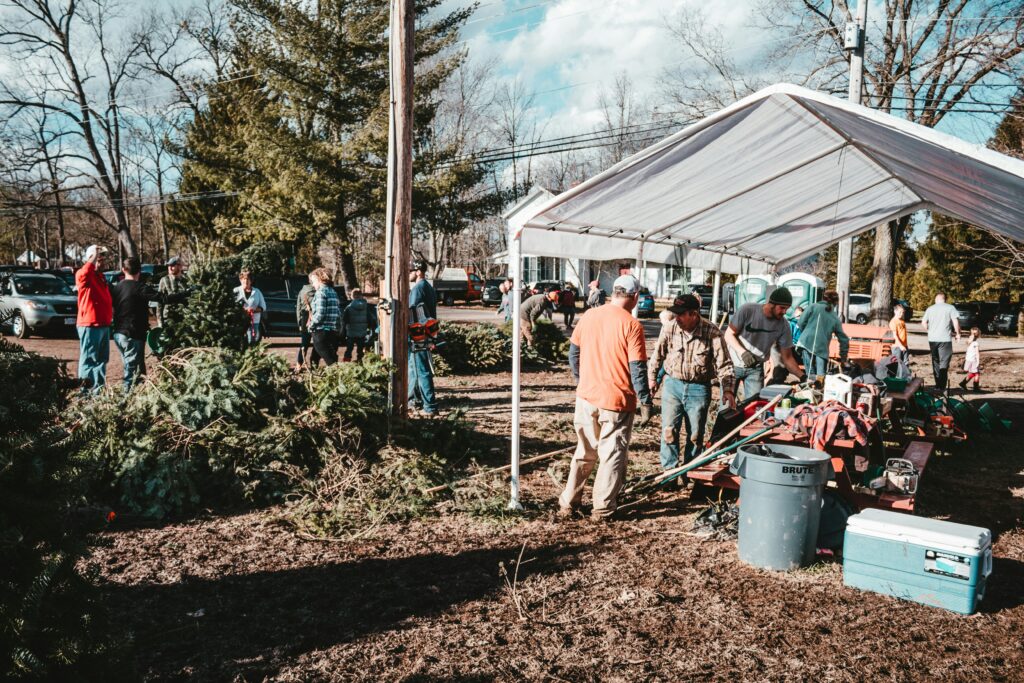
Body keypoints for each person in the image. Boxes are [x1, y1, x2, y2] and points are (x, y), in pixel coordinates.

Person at [559, 275, 653, 520]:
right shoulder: (632, 326)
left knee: (584, 450)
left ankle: (569, 503)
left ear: (614, 292)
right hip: (616, 400)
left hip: (586, 398)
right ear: (634, 297)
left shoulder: (590, 315)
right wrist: (645, 400)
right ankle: (601, 508)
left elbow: (573, 354)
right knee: (611, 455)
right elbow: (638, 369)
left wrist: (582, 380)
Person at [649, 294, 734, 472]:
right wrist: (652, 378)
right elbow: (658, 354)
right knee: (669, 431)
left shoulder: (712, 333)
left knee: (695, 435)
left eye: (681, 314)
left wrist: (728, 390)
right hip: (673, 385)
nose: (677, 318)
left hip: (699, 388)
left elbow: (724, 365)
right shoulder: (670, 328)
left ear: (694, 314)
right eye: (675, 313)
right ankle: (669, 472)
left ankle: (690, 471)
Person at [111, 257, 185, 390]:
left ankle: (138, 396)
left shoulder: (117, 288)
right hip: (132, 335)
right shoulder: (140, 288)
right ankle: (126, 399)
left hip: (118, 334)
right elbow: (163, 298)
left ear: (123, 270)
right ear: (139, 271)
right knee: (132, 372)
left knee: (136, 368)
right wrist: (185, 294)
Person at [723, 288, 805, 402]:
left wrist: (802, 376)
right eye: (782, 308)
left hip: (755, 369)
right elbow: (728, 335)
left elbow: (787, 357)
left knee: (754, 407)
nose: (785, 312)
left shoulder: (783, 325)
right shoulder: (748, 310)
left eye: (787, 308)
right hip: (733, 365)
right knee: (726, 406)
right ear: (772, 304)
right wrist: (743, 352)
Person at [75, 245, 113, 394]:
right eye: (99, 258)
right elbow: (84, 273)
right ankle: (85, 394)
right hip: (90, 324)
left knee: (101, 360)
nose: (102, 261)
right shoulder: (83, 274)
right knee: (89, 360)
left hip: (103, 324)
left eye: (103, 258)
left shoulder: (101, 277)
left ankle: (97, 392)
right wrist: (93, 257)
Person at [795, 291, 850, 378]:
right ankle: (819, 387)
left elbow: (801, 322)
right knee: (821, 376)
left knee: (810, 375)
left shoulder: (813, 306)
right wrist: (843, 358)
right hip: (822, 348)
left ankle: (810, 385)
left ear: (823, 298)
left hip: (805, 342)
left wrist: (806, 333)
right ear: (835, 303)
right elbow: (844, 339)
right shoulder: (834, 317)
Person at [409, 263, 439, 415]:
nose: (409, 274)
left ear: (418, 272)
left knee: (421, 370)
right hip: (427, 333)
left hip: (418, 335)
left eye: (411, 271)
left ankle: (430, 406)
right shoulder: (428, 287)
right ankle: (413, 400)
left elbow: (412, 312)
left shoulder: (417, 289)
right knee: (414, 369)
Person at [921, 292, 961, 391]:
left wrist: (929, 331)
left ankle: (937, 384)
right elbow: (955, 321)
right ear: (944, 299)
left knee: (935, 361)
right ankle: (941, 386)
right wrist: (958, 333)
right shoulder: (950, 308)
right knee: (944, 362)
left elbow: (923, 322)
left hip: (932, 339)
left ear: (936, 299)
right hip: (945, 339)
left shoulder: (930, 309)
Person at [308, 267, 341, 366]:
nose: (312, 285)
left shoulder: (320, 292)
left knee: (331, 362)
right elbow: (338, 312)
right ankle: (317, 379)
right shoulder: (333, 292)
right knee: (314, 358)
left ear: (320, 279)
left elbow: (320, 313)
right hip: (331, 331)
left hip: (320, 331)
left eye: (313, 281)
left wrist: (311, 325)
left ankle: (338, 379)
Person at [234, 269, 267, 346]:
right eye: (244, 279)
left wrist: (253, 310)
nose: (246, 281)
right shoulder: (236, 291)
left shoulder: (257, 292)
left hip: (253, 321)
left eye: (248, 279)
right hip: (239, 320)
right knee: (240, 341)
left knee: (251, 341)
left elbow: (263, 307)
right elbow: (231, 305)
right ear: (240, 280)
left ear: (251, 281)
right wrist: (242, 310)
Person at [341, 288, 374, 362]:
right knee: (360, 349)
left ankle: (346, 361)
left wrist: (343, 330)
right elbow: (370, 318)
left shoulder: (349, 307)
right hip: (362, 332)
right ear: (361, 296)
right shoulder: (366, 307)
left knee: (349, 349)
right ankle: (360, 361)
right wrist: (369, 327)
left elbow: (344, 319)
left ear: (352, 296)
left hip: (351, 332)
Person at [294, 280, 320, 370]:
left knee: (304, 342)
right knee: (317, 342)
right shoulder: (319, 290)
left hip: (305, 317)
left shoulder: (303, 291)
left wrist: (299, 322)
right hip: (316, 316)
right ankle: (314, 364)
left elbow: (298, 307)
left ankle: (299, 364)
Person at [157, 256, 188, 327]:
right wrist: (160, 321)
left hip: (184, 317)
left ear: (180, 266)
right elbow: (159, 302)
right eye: (169, 266)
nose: (170, 268)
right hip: (169, 317)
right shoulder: (164, 280)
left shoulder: (186, 280)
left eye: (173, 265)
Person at [959, 327, 982, 392]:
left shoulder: (969, 343)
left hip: (968, 360)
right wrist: (978, 361)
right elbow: (977, 353)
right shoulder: (976, 343)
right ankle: (976, 388)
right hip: (973, 360)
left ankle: (963, 383)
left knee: (973, 373)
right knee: (977, 373)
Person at [890, 302, 910, 371]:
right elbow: (895, 335)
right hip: (897, 347)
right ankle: (897, 380)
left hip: (904, 346)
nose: (901, 314)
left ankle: (906, 378)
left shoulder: (902, 321)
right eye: (900, 312)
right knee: (897, 364)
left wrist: (904, 345)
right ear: (895, 311)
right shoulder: (893, 322)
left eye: (902, 312)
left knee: (906, 363)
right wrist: (900, 345)